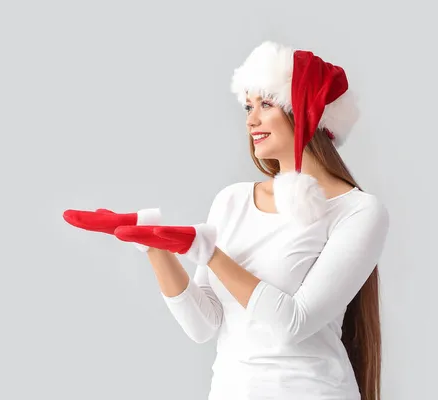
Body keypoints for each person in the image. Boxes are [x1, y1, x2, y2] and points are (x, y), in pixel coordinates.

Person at [63, 41, 389, 400]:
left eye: (266, 103)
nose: (251, 119)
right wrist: (153, 243)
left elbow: (292, 323)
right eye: (249, 106)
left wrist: (211, 253)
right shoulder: (232, 200)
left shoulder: (358, 211)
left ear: (306, 111)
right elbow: (204, 325)